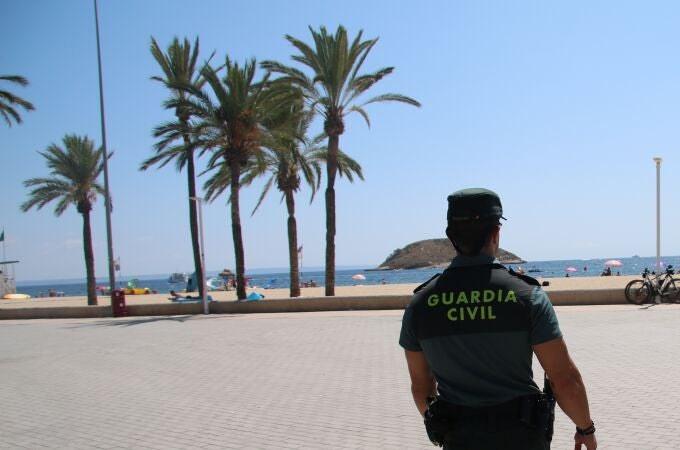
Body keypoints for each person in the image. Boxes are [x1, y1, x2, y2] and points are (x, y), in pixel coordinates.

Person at [399, 188, 596, 450]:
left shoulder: (420, 304)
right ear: (495, 233)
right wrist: (585, 428)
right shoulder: (527, 296)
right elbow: (564, 379)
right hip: (522, 437)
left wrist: (443, 427)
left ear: (451, 236)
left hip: (460, 439)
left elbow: (421, 386)